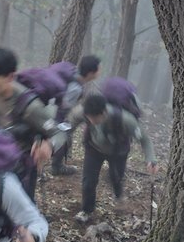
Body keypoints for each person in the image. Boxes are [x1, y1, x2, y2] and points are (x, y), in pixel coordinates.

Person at [0, 47, 68, 199]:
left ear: (10, 77)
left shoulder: (29, 106)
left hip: (21, 167)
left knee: (20, 207)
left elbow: (59, 132)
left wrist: (49, 145)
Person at [68, 94, 158, 224]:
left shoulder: (125, 119)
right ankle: (87, 210)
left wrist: (151, 159)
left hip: (118, 152)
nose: (92, 121)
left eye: (95, 118)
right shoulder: (82, 112)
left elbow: (145, 140)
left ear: (104, 112)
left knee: (116, 177)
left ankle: (118, 194)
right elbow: (68, 127)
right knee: (88, 181)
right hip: (94, 148)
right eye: (89, 118)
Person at [50, 55, 101, 176]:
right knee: (64, 134)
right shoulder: (76, 88)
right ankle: (56, 167)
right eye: (98, 69)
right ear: (90, 73)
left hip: (49, 108)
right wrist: (59, 125)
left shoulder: (74, 74)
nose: (100, 72)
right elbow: (61, 107)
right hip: (50, 112)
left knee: (66, 132)